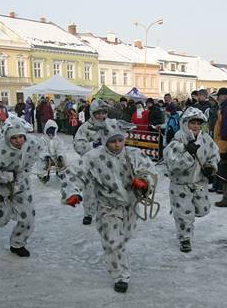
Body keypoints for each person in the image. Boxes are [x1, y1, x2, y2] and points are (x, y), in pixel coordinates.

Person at [62, 120, 156, 293]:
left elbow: (150, 170)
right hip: (108, 207)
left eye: (120, 140)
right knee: (112, 242)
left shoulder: (133, 154)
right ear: (105, 140)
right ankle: (120, 276)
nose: (117, 144)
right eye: (113, 141)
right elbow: (74, 173)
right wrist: (72, 192)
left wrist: (144, 181)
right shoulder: (94, 157)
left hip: (130, 206)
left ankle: (119, 258)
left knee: (123, 238)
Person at [0, 116, 39, 257]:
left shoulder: (32, 143)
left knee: (28, 217)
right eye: (14, 138)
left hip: (22, 185)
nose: (18, 141)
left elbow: (39, 151)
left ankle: (18, 244)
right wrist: (4, 176)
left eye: (21, 137)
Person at [163, 107, 220, 252]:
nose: (195, 126)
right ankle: (185, 238)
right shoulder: (177, 141)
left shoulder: (206, 139)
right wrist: (188, 153)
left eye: (198, 123)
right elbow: (173, 165)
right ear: (185, 123)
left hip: (199, 183)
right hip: (180, 185)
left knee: (202, 209)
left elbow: (214, 153)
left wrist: (210, 166)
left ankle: (187, 220)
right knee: (184, 214)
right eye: (192, 122)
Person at [73, 99, 118, 225]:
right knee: (89, 191)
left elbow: (119, 141)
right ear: (92, 113)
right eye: (97, 113)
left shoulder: (110, 126)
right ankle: (88, 213)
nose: (101, 116)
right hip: (90, 166)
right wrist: (92, 145)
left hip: (107, 165)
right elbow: (78, 145)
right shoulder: (84, 128)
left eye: (103, 113)